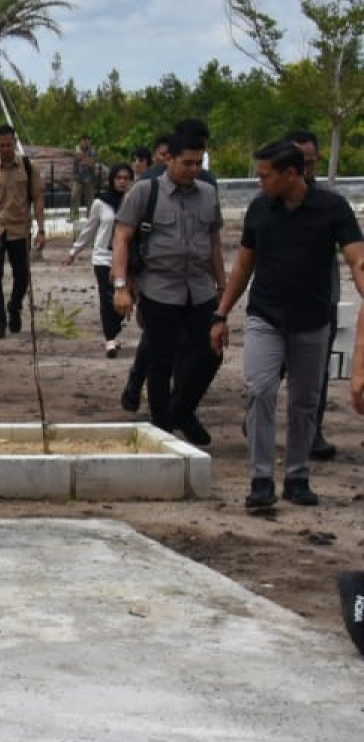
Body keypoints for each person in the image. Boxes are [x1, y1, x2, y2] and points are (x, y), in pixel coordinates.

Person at [211, 139, 364, 511]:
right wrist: (221, 313)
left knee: (305, 402)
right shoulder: (260, 209)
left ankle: (297, 475)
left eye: (265, 175)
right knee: (260, 390)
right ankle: (261, 479)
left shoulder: (332, 207)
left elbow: (356, 255)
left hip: (312, 320)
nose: (260, 182)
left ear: (291, 173)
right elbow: (244, 265)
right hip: (265, 316)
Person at [112, 131, 223, 448]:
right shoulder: (146, 192)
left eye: (198, 162)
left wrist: (223, 286)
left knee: (211, 351)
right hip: (159, 288)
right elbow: (122, 238)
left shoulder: (207, 194)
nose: (193, 169)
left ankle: (183, 409)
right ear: (168, 159)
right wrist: (121, 286)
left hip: (200, 289)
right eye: (186, 162)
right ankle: (162, 432)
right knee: (160, 363)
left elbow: (214, 243)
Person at [288, 129, 342, 460]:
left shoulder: (330, 203)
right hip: (279, 299)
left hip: (322, 297)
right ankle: (258, 418)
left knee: (317, 370)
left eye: (308, 161)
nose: (304, 168)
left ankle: (313, 432)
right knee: (270, 369)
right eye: (297, 162)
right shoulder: (271, 201)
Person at [0, 124, 47, 338]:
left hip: (20, 228)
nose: (6, 149)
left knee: (22, 276)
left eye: (9, 144)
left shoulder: (27, 166)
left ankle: (14, 306)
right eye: (1, 145)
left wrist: (41, 229)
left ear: (15, 143)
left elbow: (38, 198)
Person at [65, 163, 135, 358]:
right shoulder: (100, 203)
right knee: (107, 298)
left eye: (126, 178)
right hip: (103, 257)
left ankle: (116, 326)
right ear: (112, 180)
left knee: (126, 298)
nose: (122, 182)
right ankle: (110, 339)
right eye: (118, 178)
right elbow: (89, 230)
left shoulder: (136, 201)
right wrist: (74, 251)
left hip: (126, 259)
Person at [72, 136, 100, 218]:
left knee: (90, 199)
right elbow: (75, 164)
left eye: (86, 141)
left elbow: (92, 163)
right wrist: (73, 176)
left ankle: (90, 216)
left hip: (90, 178)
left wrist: (83, 157)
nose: (84, 143)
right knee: (74, 196)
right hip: (78, 178)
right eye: (82, 141)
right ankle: (74, 216)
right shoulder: (76, 150)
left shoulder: (93, 151)